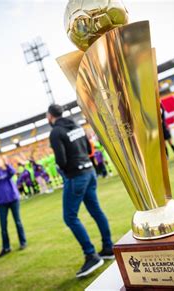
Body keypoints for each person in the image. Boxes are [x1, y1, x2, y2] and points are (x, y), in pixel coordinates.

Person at [47, 104, 113, 278]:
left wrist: (64, 169)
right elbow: (88, 147)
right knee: (96, 211)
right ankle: (108, 248)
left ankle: (91, 254)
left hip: (76, 176)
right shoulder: (76, 125)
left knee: (70, 217)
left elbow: (60, 160)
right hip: (89, 172)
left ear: (50, 116)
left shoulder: (56, 132)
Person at [0, 154, 27, 257]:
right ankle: (6, 247)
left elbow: (13, 172)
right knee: (3, 225)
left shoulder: (6, 169)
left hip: (13, 198)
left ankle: (23, 242)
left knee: (18, 221)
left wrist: (6, 164)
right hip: (2, 202)